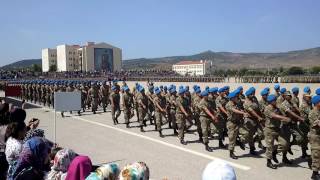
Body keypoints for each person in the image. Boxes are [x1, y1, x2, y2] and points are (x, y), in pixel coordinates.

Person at [264, 95, 291, 169]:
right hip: (270, 129)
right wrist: (284, 118)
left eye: (275, 100)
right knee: (269, 146)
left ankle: (275, 152)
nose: (275, 101)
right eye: (274, 100)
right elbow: (274, 115)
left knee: (285, 143)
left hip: (278, 128)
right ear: (270, 101)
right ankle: (268, 162)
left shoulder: (277, 106)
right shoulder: (267, 108)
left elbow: (284, 111)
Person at [225, 91, 248, 159]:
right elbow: (234, 110)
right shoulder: (228, 104)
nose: (237, 98)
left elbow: (239, 108)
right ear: (232, 98)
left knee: (246, 133)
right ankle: (231, 153)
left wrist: (243, 111)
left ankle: (240, 141)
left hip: (238, 122)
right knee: (232, 138)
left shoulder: (236, 103)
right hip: (231, 123)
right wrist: (242, 113)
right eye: (235, 97)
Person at [309, 95, 320, 180]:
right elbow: (318, 125)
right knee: (316, 154)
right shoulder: (313, 113)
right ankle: (315, 173)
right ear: (317, 103)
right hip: (315, 136)